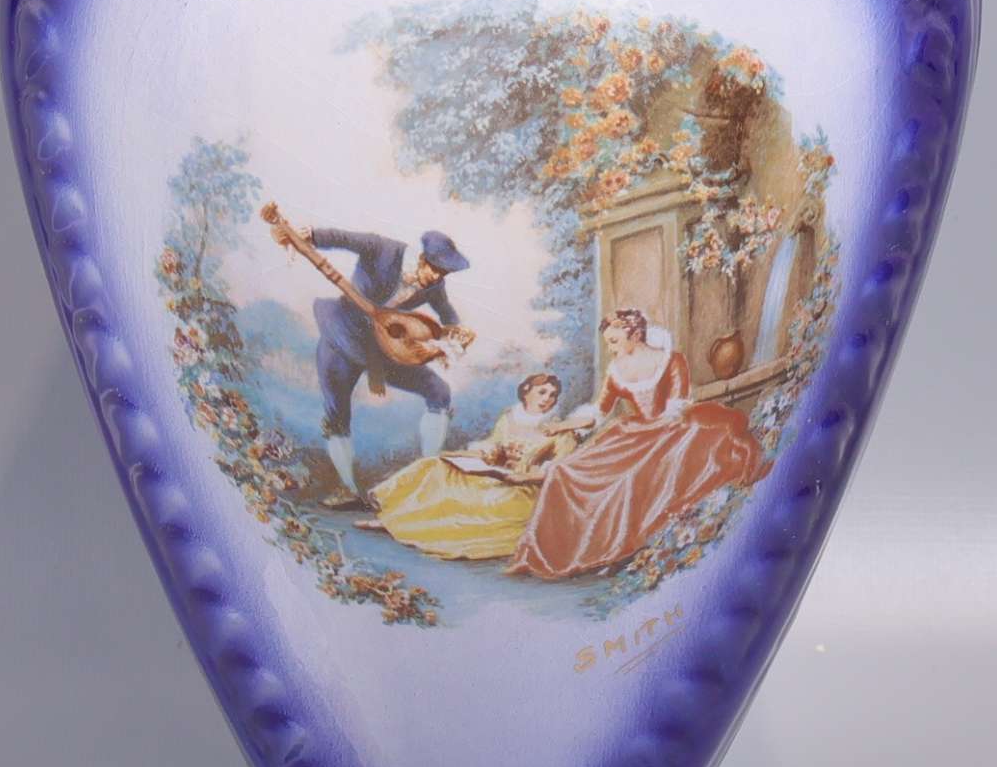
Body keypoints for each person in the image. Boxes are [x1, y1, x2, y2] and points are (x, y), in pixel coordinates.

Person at [507, 310, 763, 581]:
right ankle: (571, 552)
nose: (611, 349)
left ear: (636, 335)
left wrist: (653, 434)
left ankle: (615, 552)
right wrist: (563, 426)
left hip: (673, 433)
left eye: (614, 341)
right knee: (565, 469)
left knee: (628, 480)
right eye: (608, 343)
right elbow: (599, 413)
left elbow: (676, 410)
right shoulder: (616, 371)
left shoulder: (671, 360)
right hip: (633, 434)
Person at [293, 224, 471, 508]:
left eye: (444, 273)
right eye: (435, 269)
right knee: (337, 414)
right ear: (422, 258)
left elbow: (446, 313)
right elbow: (345, 238)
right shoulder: (384, 250)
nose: (438, 277)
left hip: (387, 347)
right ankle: (347, 489)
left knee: (438, 391)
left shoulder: (434, 286)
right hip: (343, 336)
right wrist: (311, 236)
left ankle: (427, 479)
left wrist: (456, 333)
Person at [359, 372, 579, 562]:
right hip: (497, 474)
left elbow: (558, 470)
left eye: (552, 395)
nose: (547, 399)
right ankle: (392, 518)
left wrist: (524, 478)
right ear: (526, 391)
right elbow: (493, 447)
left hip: (523, 488)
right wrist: (467, 455)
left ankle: (405, 526)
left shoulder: (561, 431)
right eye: (542, 392)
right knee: (434, 466)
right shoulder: (509, 418)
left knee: (481, 499)